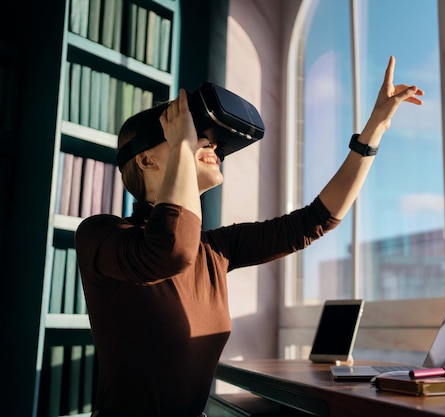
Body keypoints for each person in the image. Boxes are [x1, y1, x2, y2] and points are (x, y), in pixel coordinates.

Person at [75, 55, 424, 417]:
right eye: (197, 136)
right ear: (146, 161)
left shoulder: (214, 250)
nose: (211, 147)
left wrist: (374, 130)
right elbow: (169, 251)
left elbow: (315, 221)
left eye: (207, 140)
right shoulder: (100, 234)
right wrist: (182, 143)